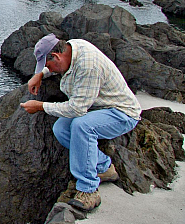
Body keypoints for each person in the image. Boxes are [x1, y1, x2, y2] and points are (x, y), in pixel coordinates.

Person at [19, 33, 141, 212]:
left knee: (82, 126)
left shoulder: (87, 66)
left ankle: (89, 190)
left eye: (48, 65)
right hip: (98, 107)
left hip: (121, 113)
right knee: (61, 128)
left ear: (56, 56)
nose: (49, 69)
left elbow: (77, 110)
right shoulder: (71, 47)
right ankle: (104, 167)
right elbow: (57, 67)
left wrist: (40, 106)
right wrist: (41, 74)